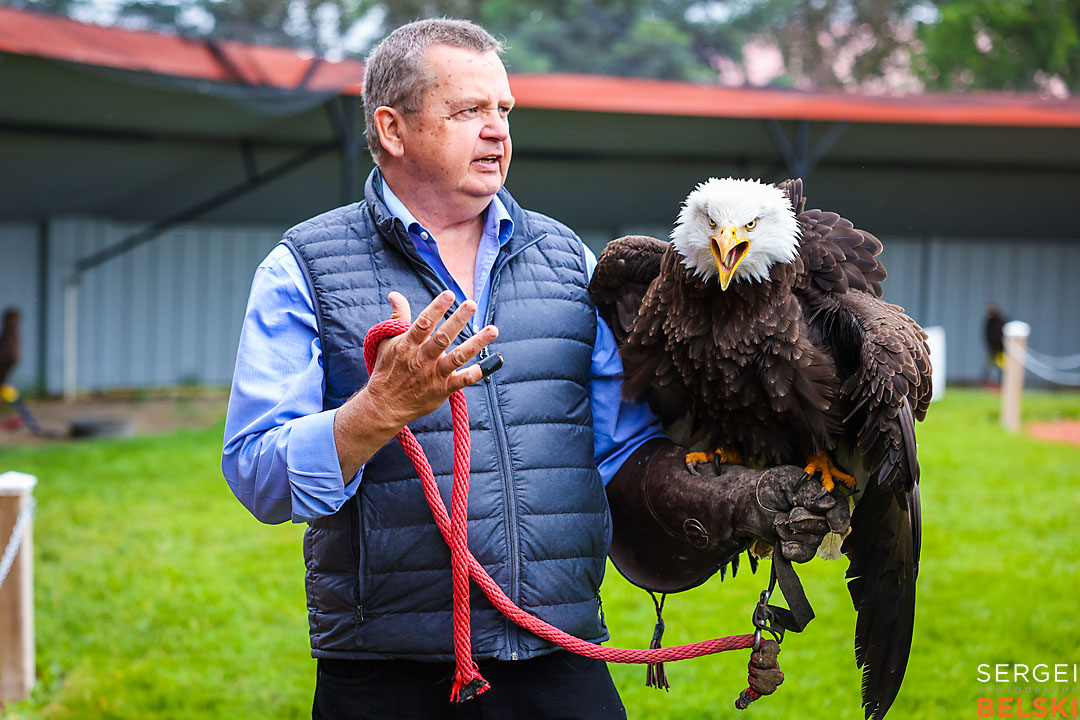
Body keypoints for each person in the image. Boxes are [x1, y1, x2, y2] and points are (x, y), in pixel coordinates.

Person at [222, 18, 844, 720]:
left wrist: (732, 500)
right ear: (392, 129)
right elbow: (258, 476)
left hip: (559, 656)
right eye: (468, 111)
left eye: (504, 110)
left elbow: (623, 448)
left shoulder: (569, 261)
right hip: (383, 671)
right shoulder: (304, 267)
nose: (497, 131)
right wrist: (378, 409)